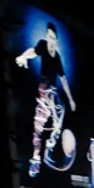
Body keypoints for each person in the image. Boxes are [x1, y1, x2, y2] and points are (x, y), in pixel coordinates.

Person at [15, 22, 76, 179]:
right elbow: (33, 51)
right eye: (49, 37)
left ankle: (51, 144)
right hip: (44, 94)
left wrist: (71, 99)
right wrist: (23, 56)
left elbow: (63, 79)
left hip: (52, 95)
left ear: (56, 40)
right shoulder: (43, 45)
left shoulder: (57, 57)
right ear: (47, 37)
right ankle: (36, 159)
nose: (50, 41)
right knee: (38, 130)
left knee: (60, 114)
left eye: (53, 38)